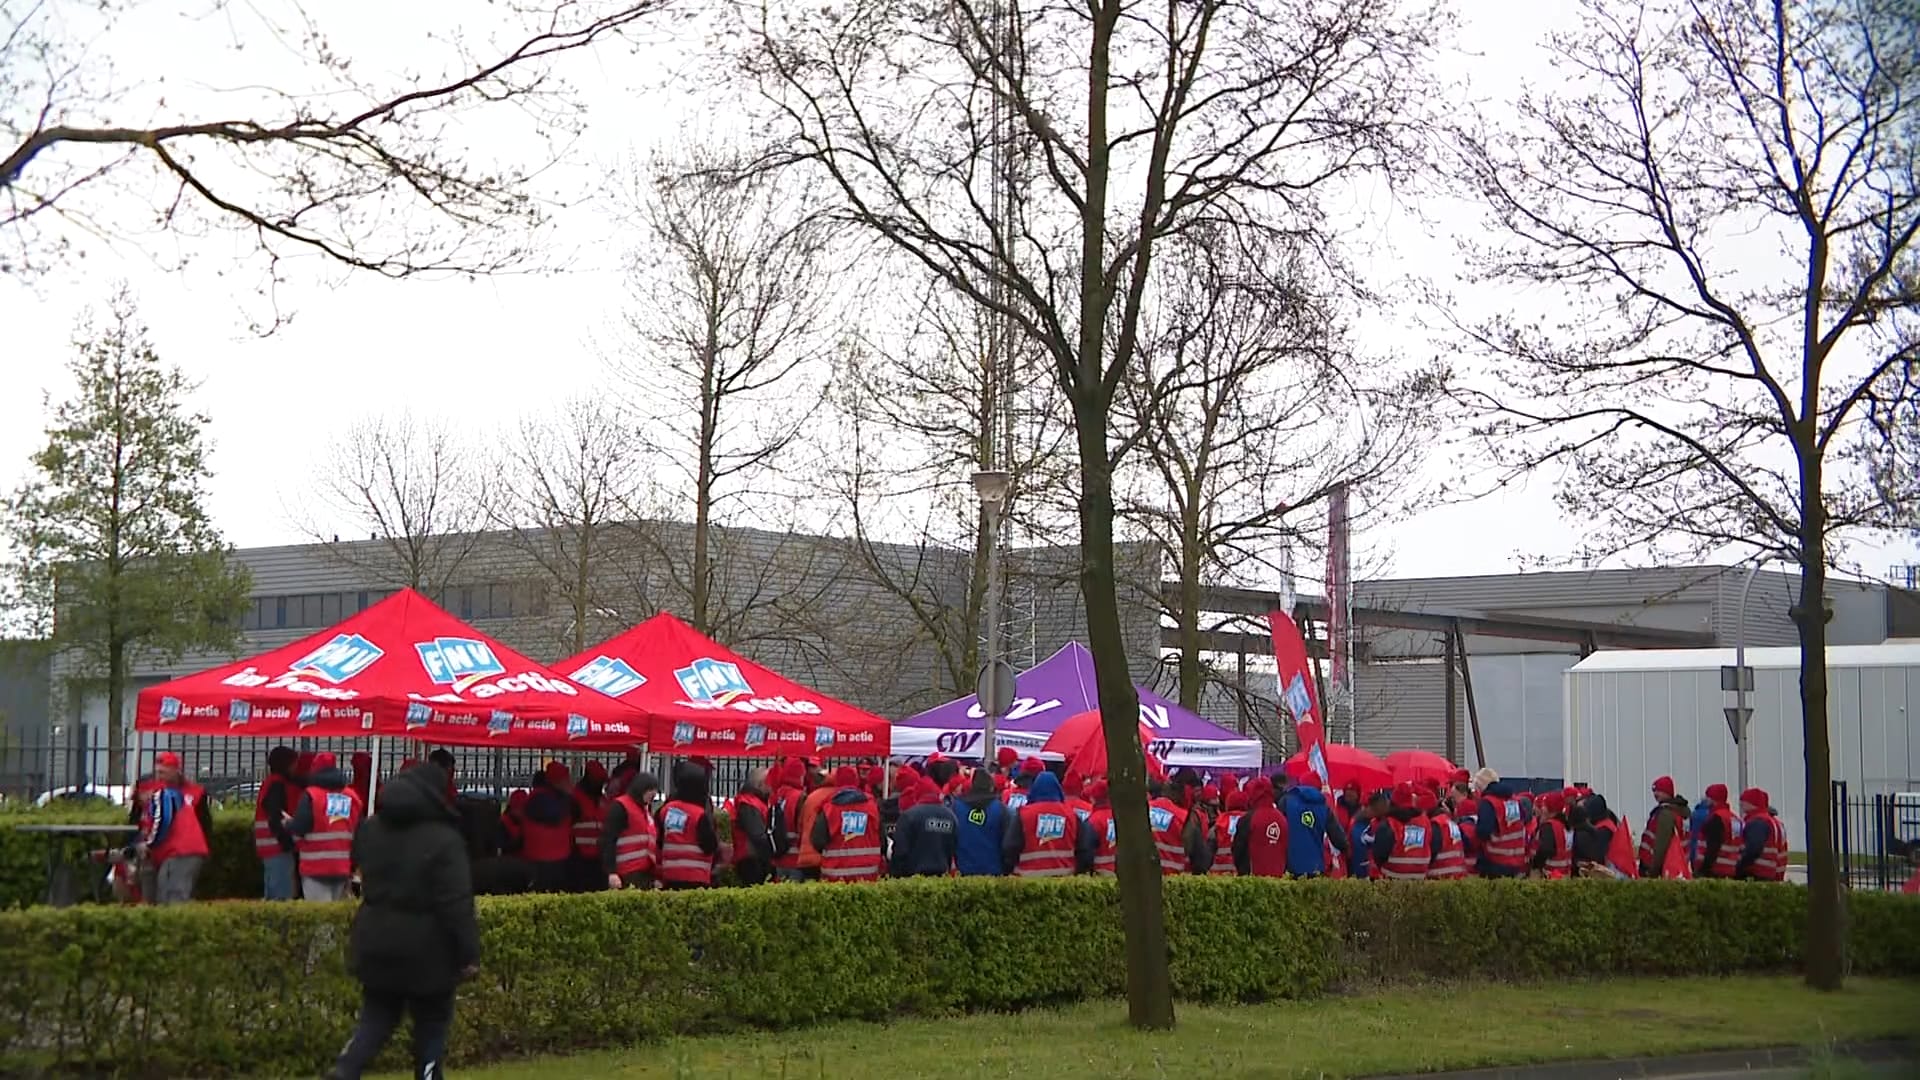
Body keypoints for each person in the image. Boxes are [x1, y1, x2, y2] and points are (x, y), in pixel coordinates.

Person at [326, 763, 478, 1080]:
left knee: (376, 1017)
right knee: (431, 1027)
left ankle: (346, 1068)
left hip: (375, 933)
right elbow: (456, 903)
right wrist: (468, 953)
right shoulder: (444, 840)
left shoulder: (370, 828)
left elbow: (359, 868)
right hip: (428, 947)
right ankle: (427, 1075)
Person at [134, 751, 211, 905]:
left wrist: (148, 844)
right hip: (181, 851)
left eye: (163, 772)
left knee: (172, 897)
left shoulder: (164, 796)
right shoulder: (173, 795)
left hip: (179, 851)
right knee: (170, 894)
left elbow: (163, 821)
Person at [288, 751, 364, 901]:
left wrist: (288, 824)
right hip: (342, 866)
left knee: (320, 917)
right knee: (335, 915)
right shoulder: (351, 796)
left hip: (314, 867)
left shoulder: (312, 795)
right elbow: (359, 831)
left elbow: (300, 827)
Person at [811, 766, 884, 882]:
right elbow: (882, 840)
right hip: (868, 874)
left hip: (836, 876)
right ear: (856, 781)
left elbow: (817, 841)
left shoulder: (829, 809)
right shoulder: (872, 807)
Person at [657, 761, 721, 889]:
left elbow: (659, 839)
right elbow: (709, 845)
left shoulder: (666, 810)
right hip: (696, 875)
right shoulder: (698, 814)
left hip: (670, 873)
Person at [1004, 770, 1078, 877]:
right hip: (1064, 877)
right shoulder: (1071, 815)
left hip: (1028, 877)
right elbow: (1083, 846)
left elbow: (1010, 846)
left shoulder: (1023, 814)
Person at [520, 762, 577, 893]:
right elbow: (555, 816)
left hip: (559, 858)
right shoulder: (539, 798)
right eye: (565, 779)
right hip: (541, 860)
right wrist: (568, 796)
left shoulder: (558, 797)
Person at [253, 745, 301, 900]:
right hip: (277, 846)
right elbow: (276, 816)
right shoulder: (277, 784)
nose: (296, 767)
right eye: (294, 763)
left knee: (273, 890)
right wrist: (287, 843)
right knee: (281, 895)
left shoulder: (270, 783)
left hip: (268, 845)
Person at [601, 771, 659, 890]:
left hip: (644, 871)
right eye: (650, 794)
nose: (651, 799)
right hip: (626, 872)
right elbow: (608, 840)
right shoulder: (621, 807)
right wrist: (611, 872)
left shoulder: (643, 810)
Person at [892, 778, 958, 877]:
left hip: (913, 879)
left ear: (918, 793)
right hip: (942, 878)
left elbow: (900, 851)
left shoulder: (909, 816)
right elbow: (954, 848)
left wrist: (895, 876)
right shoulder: (951, 816)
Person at [952, 766, 1010, 876]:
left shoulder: (956, 807)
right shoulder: (1001, 809)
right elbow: (1007, 842)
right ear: (991, 786)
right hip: (994, 870)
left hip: (963, 869)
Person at [1474, 771, 1532, 878]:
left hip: (1496, 860)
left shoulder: (1488, 803)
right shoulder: (1514, 800)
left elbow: (1483, 831)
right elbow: (1523, 820)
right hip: (1517, 858)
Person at [1373, 781, 1433, 880]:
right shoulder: (1424, 821)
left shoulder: (1389, 824)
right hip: (1420, 880)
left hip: (1393, 880)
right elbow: (1430, 843)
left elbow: (1379, 855)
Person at [1146, 778, 1206, 875]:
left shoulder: (1140, 812)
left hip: (1142, 877)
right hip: (1173, 879)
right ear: (1177, 795)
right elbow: (1199, 858)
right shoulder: (1183, 817)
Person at [1277, 776, 1334, 877]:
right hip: (1316, 866)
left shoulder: (1286, 801)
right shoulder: (1324, 807)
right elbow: (1337, 836)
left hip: (1291, 866)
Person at [1638, 775, 1693, 879]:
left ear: (1667, 792)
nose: (1655, 794)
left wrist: (1653, 871)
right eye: (1654, 791)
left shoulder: (1665, 814)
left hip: (1663, 867)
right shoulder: (1682, 813)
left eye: (1658, 791)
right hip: (1678, 866)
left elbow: (1661, 845)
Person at [730, 767, 776, 886]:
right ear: (760, 784)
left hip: (751, 857)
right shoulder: (749, 803)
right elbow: (757, 835)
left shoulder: (753, 801)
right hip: (751, 858)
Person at [1236, 778, 1288, 878]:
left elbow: (1239, 849)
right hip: (1279, 880)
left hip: (1254, 881)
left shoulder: (1248, 819)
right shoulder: (1282, 819)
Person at [1734, 788, 1788, 881]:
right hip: (1773, 871)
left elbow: (1753, 849)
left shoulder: (1758, 822)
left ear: (1752, 803)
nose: (1741, 804)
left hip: (1757, 872)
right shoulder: (1774, 822)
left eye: (1744, 801)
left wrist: (1739, 867)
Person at [795, 763, 837, 881]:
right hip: (821, 856)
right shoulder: (834, 796)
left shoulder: (811, 796)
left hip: (805, 856)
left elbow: (800, 825)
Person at [769, 758, 808, 882]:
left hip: (778, 855)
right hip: (795, 857)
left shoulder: (776, 794)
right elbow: (803, 827)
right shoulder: (800, 797)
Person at [1695, 783, 1742, 879]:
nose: (1705, 799)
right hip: (1731, 870)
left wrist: (1702, 870)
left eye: (1708, 797)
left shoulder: (1716, 818)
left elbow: (1713, 847)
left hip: (1715, 870)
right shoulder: (1735, 819)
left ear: (1714, 799)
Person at [1077, 779, 1117, 875]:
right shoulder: (1121, 817)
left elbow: (1087, 851)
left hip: (1099, 873)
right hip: (1120, 872)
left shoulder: (1093, 821)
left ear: (1094, 798)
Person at [1530, 790, 1573, 879]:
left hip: (1550, 873)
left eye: (1544, 806)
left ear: (1551, 808)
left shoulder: (1549, 826)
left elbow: (1546, 849)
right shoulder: (1565, 825)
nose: (1542, 808)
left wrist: (1535, 864)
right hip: (1564, 873)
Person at [1349, 788, 1390, 879]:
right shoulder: (1356, 824)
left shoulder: (1385, 824)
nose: (1365, 809)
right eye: (1364, 806)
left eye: (1368, 806)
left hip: (1378, 872)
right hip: (1360, 871)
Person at [1210, 790, 1247, 875]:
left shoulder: (1220, 821)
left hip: (1219, 873)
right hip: (1241, 871)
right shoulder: (1248, 820)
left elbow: (1210, 845)